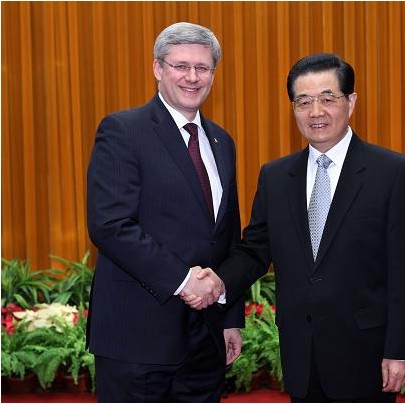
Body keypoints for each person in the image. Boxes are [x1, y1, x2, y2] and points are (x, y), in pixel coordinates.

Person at [184, 53, 405, 402]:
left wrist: (399, 350)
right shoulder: (276, 177)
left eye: (328, 99)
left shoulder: (391, 172)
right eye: (304, 101)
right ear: (294, 108)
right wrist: (218, 282)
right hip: (301, 353)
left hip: (366, 354)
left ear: (351, 102)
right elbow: (254, 249)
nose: (316, 112)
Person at [86, 22, 243, 402]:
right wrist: (183, 280)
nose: (192, 77)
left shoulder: (222, 141)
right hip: (137, 338)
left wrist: (230, 317)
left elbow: (227, 236)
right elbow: (110, 224)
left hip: (206, 338)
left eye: (202, 67)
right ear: (158, 68)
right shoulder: (123, 130)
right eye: (180, 66)